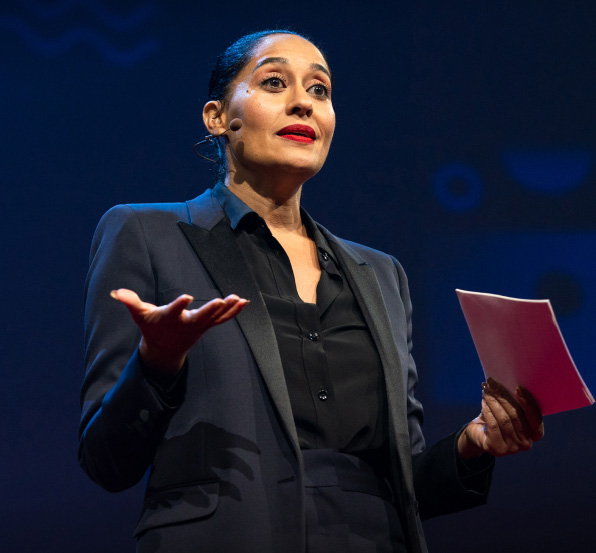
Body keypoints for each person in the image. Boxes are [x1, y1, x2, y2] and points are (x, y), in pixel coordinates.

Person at [79, 30, 544, 553]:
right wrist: (157, 363)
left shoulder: (380, 273)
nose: (303, 102)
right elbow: (106, 461)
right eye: (274, 82)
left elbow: (405, 481)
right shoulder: (147, 235)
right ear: (217, 117)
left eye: (319, 90)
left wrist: (473, 442)